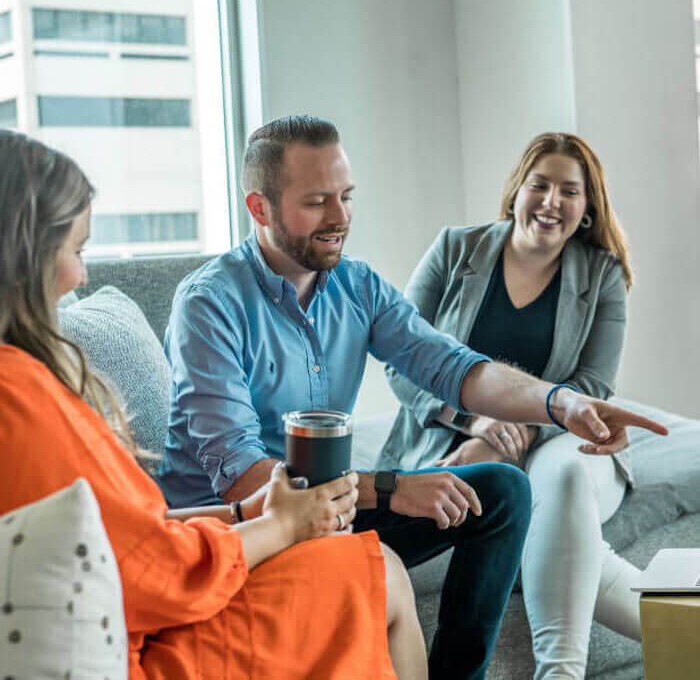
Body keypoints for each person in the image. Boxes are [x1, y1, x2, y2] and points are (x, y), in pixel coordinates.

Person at [158, 116, 667, 679]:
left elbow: (454, 367)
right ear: (260, 208)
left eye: (346, 197)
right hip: (244, 531)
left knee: (501, 491)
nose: (340, 217)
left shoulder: (356, 287)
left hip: (329, 512)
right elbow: (246, 480)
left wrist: (564, 404)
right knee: (416, 506)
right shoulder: (210, 304)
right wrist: (393, 488)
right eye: (317, 201)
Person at [0, 129, 429, 680]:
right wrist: (280, 527)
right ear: (21, 257)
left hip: (164, 583)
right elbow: (147, 572)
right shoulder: (21, 401)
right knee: (377, 572)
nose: (82, 277)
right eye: (77, 251)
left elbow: (122, 535)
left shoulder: (357, 284)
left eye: (345, 196)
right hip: (142, 642)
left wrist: (245, 516)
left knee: (482, 498)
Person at [379, 132, 645, 678]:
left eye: (569, 191)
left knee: (566, 476)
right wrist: (474, 422)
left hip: (557, 435)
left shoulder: (602, 276)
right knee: (565, 535)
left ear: (587, 207)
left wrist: (513, 431)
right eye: (540, 185)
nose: (551, 202)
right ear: (516, 189)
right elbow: (400, 360)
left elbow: (593, 381)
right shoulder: (455, 249)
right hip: (450, 435)